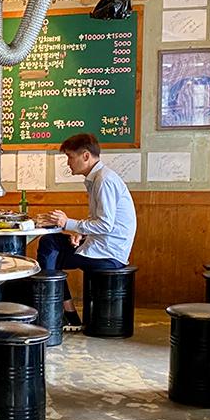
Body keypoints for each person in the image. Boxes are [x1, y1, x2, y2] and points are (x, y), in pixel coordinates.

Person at [35, 133, 137, 330]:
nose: (68, 163)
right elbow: (101, 221)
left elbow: (105, 225)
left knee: (50, 251)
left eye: (70, 157)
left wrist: (67, 223)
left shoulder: (103, 181)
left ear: (86, 156)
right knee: (51, 244)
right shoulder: (98, 178)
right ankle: (64, 314)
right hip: (103, 245)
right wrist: (81, 233)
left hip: (109, 253)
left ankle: (55, 314)